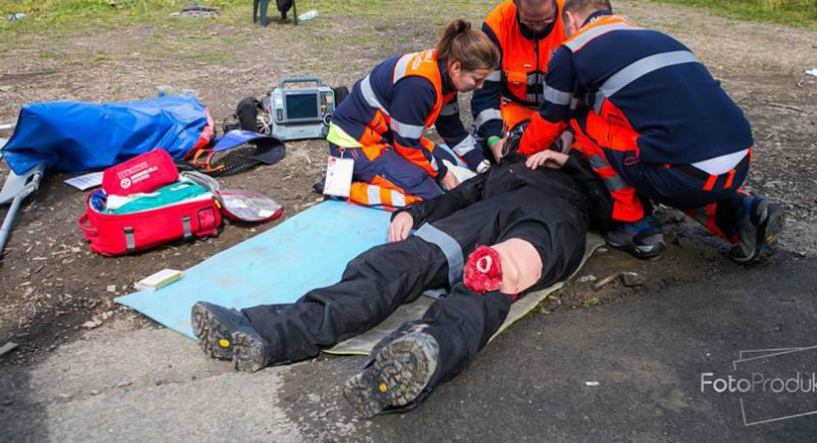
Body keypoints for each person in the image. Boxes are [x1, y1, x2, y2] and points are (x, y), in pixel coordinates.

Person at [190, 150, 609, 417]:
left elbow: (617, 212)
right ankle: (266, 332)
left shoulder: (583, 173)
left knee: (492, 273)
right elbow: (456, 198)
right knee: (393, 263)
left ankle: (421, 354)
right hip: (483, 213)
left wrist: (569, 162)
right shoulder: (501, 170)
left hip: (552, 218)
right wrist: (414, 212)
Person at [517, 0, 784, 263]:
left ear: (571, 20)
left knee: (583, 122)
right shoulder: (656, 37)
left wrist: (520, 157)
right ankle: (746, 213)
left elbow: (551, 119)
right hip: (738, 160)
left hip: (679, 173)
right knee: (667, 155)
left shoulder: (572, 50)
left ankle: (635, 226)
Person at [325, 19, 499, 208]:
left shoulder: (445, 75)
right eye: (477, 79)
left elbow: (452, 131)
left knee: (447, 161)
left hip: (387, 136)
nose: (480, 86)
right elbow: (407, 145)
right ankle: (344, 189)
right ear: (456, 67)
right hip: (355, 143)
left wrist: (481, 165)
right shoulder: (419, 86)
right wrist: (442, 173)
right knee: (430, 199)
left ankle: (378, 174)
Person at [471, 0, 569, 161]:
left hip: (561, 116)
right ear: (514, 3)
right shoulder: (497, 25)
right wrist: (493, 141)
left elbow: (587, 95)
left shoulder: (574, 19)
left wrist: (568, 139)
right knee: (487, 155)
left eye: (545, 20)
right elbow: (485, 93)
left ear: (556, 0)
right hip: (512, 111)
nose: (538, 28)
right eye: (529, 22)